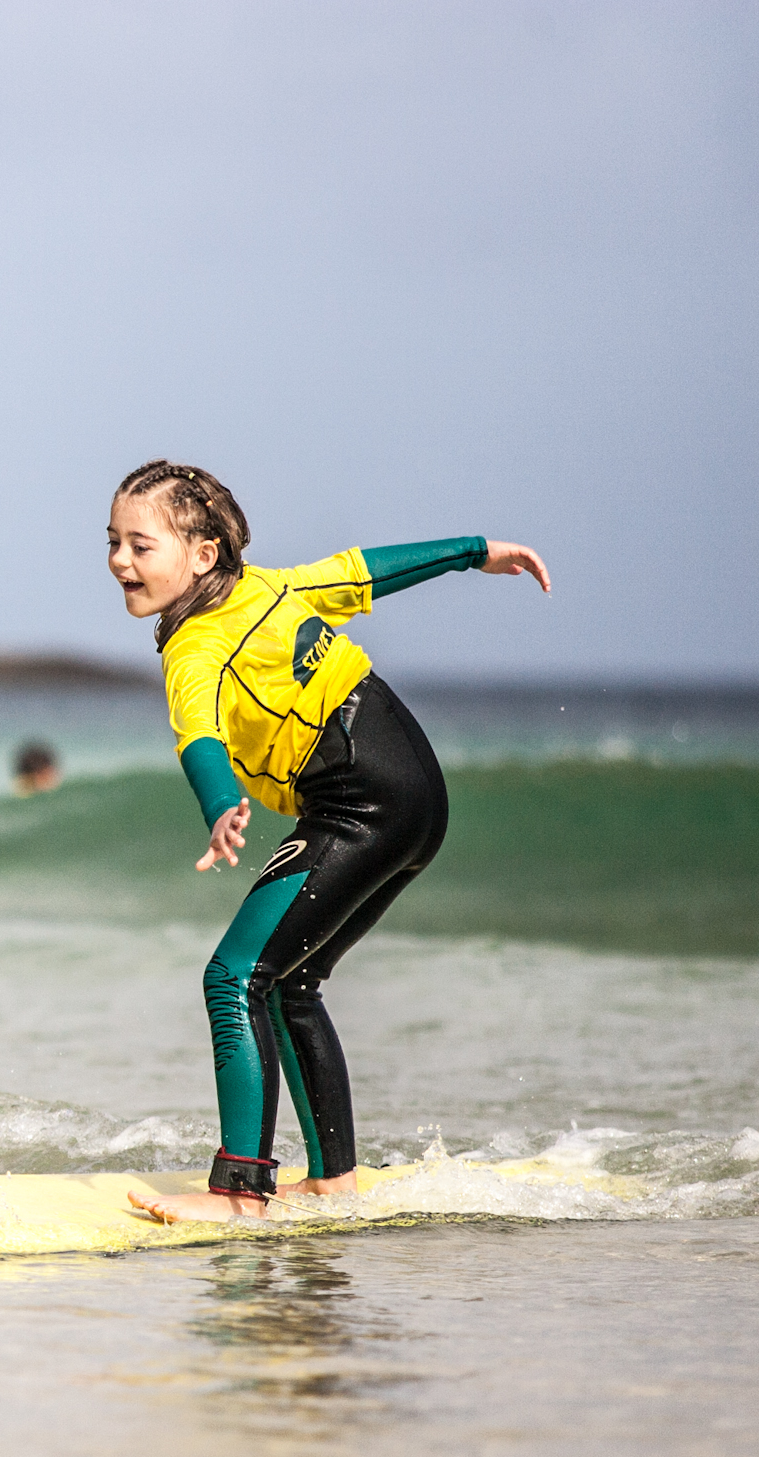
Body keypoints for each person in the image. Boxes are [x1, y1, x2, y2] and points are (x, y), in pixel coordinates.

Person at [102, 460, 550, 1222]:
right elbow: (368, 571)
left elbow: (200, 738)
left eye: (141, 546)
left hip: (361, 803)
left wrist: (218, 803)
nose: (120, 561)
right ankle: (332, 1180)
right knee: (290, 982)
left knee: (234, 978)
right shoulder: (278, 587)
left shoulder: (194, 649)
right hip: (417, 802)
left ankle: (240, 1194)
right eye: (113, 542)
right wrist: (477, 550)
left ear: (203, 554)